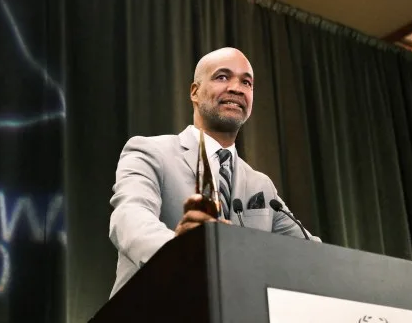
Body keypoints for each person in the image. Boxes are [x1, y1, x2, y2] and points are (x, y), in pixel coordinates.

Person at [108, 47, 320, 297]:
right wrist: (180, 252)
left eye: (246, 82)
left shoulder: (261, 186)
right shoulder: (150, 151)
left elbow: (311, 254)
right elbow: (129, 219)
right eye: (222, 77)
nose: (237, 88)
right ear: (195, 92)